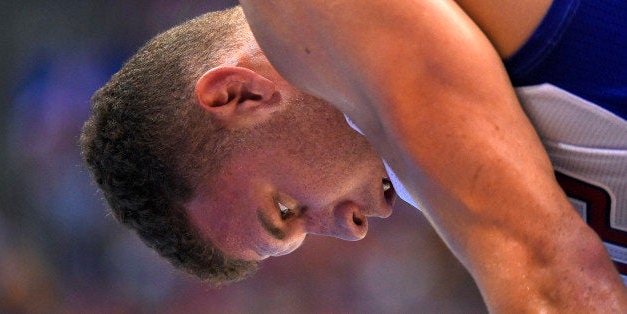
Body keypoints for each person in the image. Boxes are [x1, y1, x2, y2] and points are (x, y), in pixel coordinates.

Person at [79, 0, 626, 311]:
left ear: (240, 96)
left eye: (287, 209)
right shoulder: (418, 166)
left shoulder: (308, 11)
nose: (354, 229)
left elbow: (560, 286)